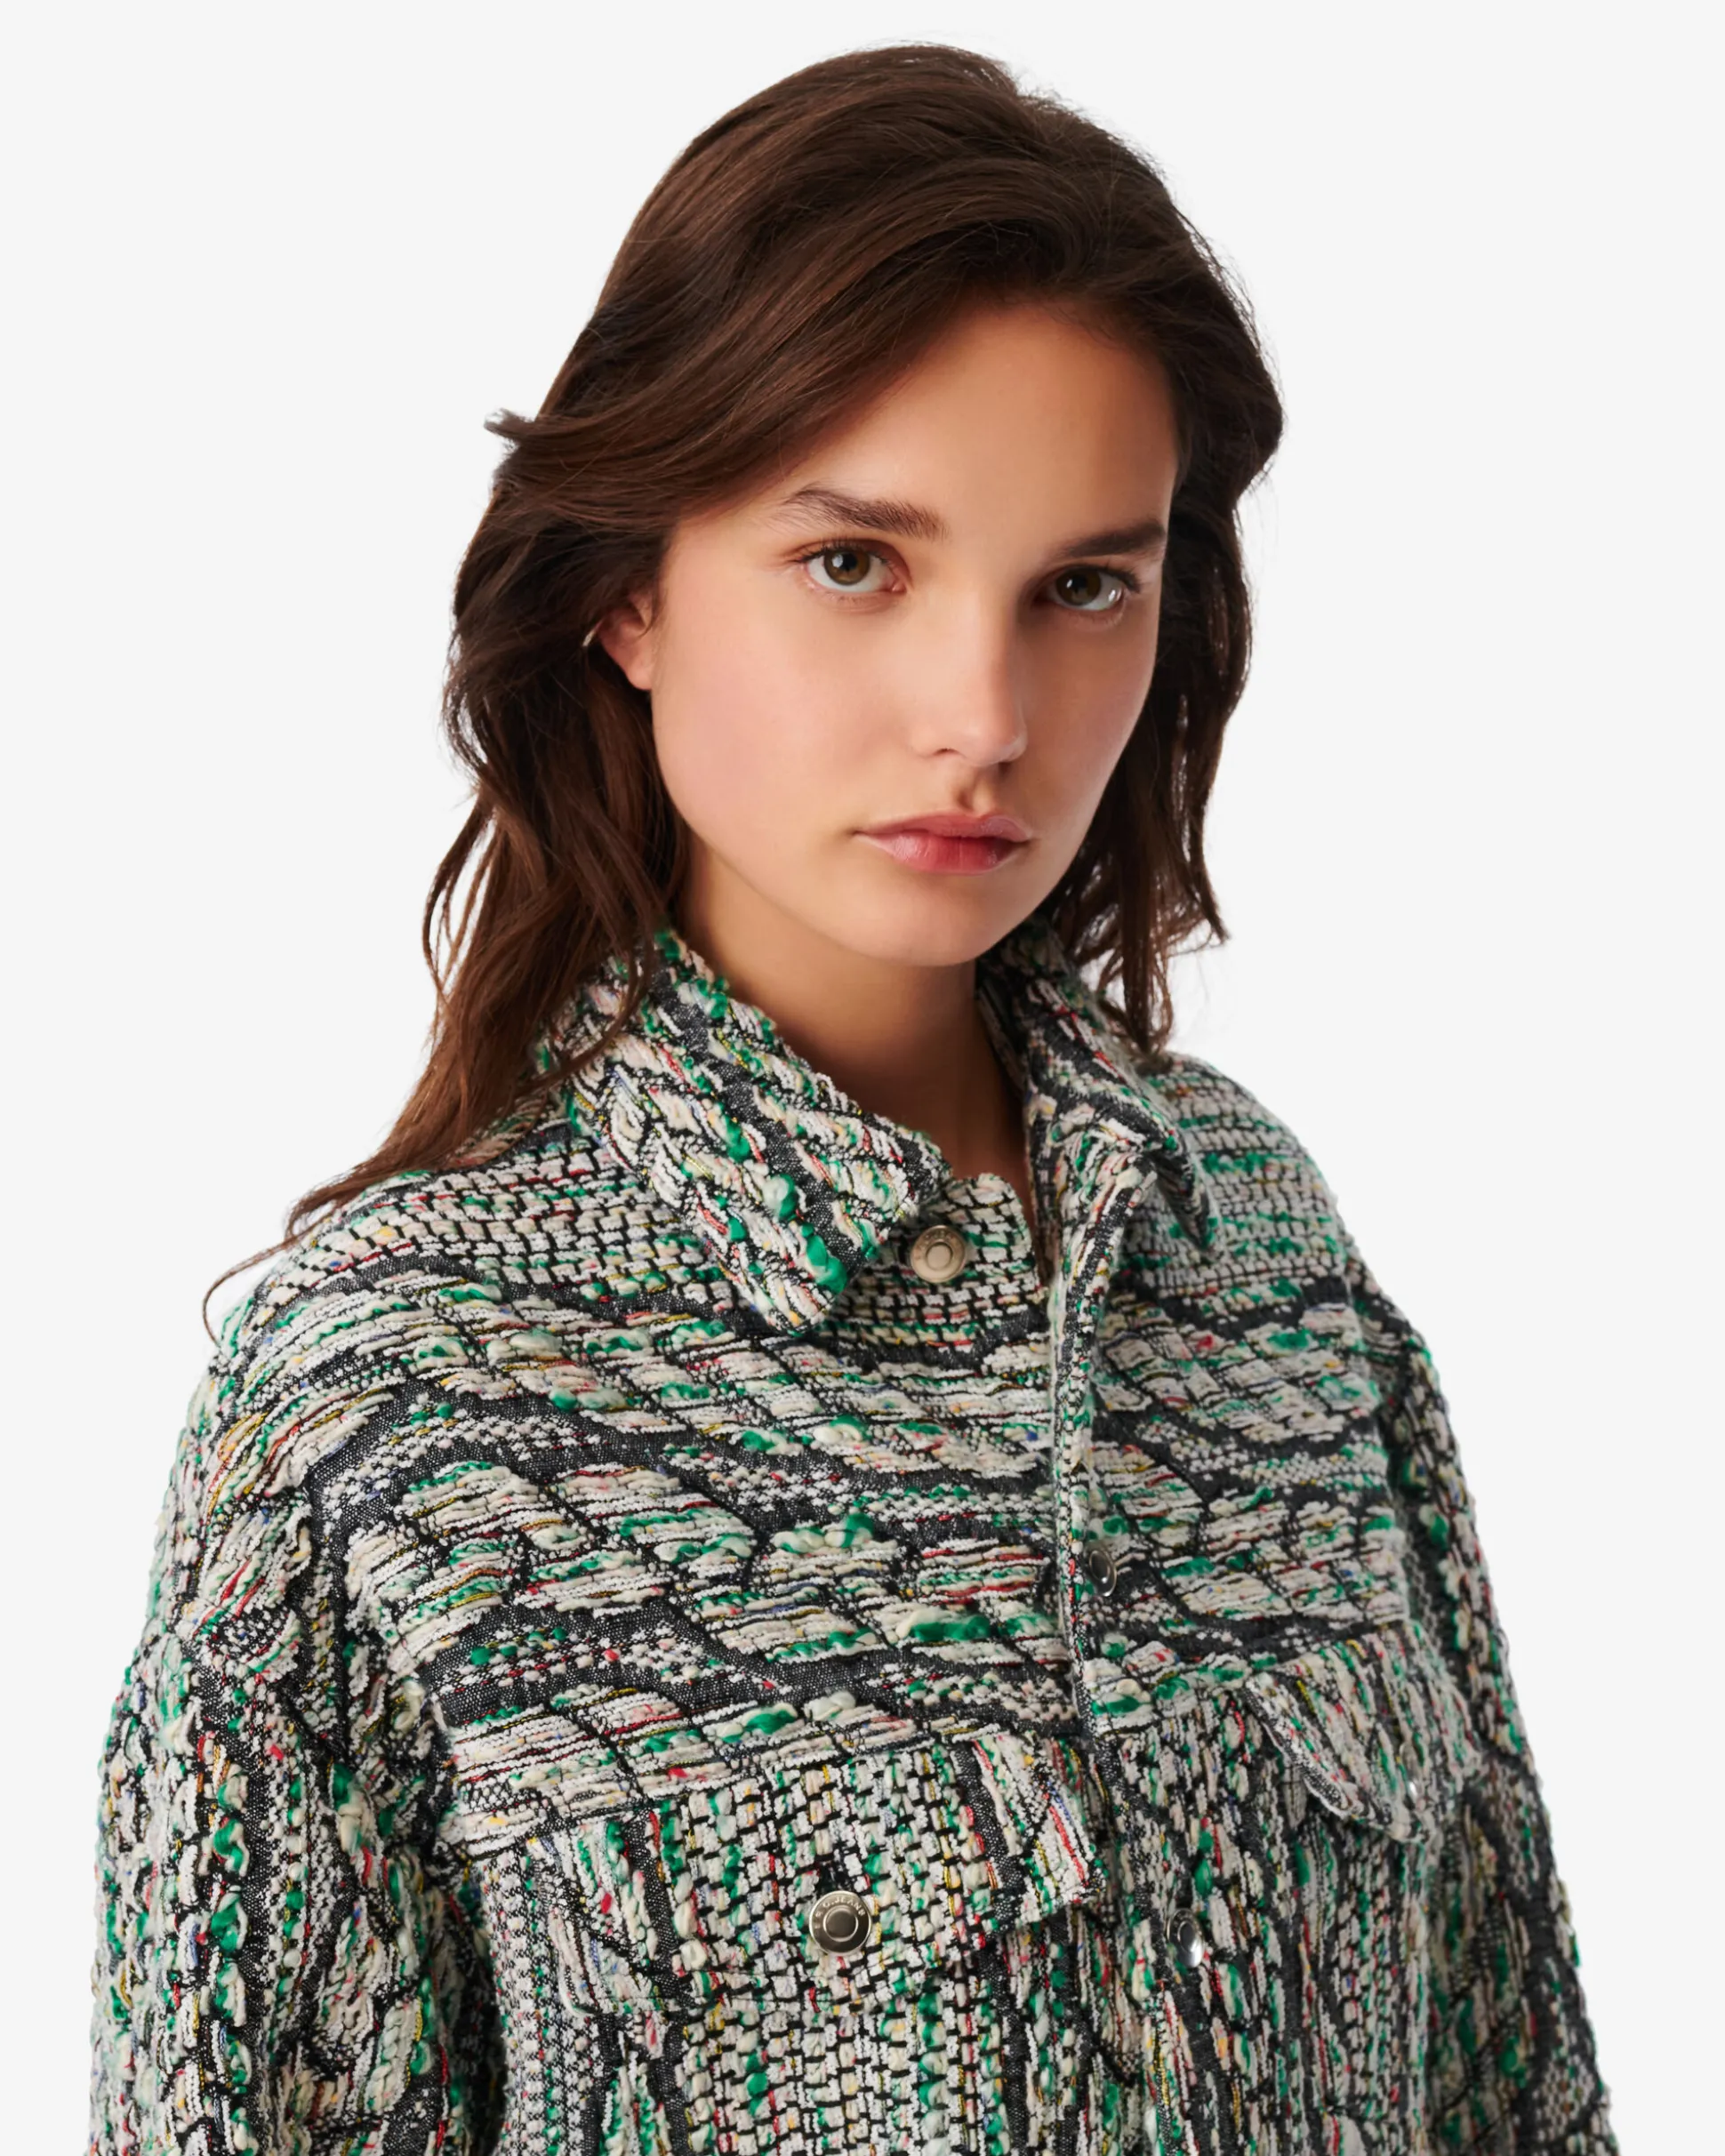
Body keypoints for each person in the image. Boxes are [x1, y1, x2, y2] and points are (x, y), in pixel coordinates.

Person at [88, 41, 1617, 2156]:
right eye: (854, 565)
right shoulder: (388, 1390)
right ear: (625, 587)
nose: (983, 716)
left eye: (1082, 587)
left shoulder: (1258, 1254)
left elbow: (1511, 2078)